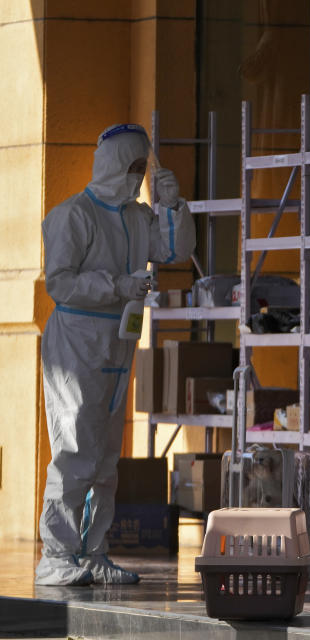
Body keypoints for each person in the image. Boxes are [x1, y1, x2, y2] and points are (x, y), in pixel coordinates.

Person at [36, 124, 196, 586]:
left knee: (106, 455)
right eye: (132, 166)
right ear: (111, 164)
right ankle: (58, 555)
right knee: (75, 449)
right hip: (77, 343)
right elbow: (60, 282)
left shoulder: (136, 215)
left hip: (117, 342)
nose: (137, 174)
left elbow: (175, 247)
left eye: (142, 167)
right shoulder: (73, 215)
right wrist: (117, 286)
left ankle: (92, 551)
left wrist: (172, 206)